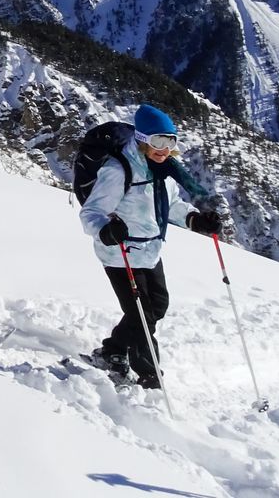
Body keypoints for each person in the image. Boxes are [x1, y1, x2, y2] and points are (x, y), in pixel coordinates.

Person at [78, 103, 220, 388]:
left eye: (170, 141)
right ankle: (150, 375)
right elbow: (90, 213)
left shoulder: (162, 170)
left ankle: (113, 351)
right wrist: (106, 232)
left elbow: (171, 205)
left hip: (150, 250)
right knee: (142, 316)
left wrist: (194, 219)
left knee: (157, 306)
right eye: (157, 140)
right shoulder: (119, 171)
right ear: (142, 139)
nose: (164, 148)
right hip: (121, 254)